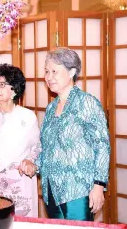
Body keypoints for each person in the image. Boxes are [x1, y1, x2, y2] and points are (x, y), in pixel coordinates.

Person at [21, 48, 110, 221]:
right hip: (52, 189)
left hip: (77, 189)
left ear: (72, 72)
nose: (48, 77)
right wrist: (33, 164)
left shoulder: (87, 103)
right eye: (46, 71)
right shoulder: (51, 107)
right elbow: (48, 148)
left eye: (54, 71)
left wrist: (99, 185)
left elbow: (102, 145)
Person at [0, 64, 40, 217]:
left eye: (2, 85)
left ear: (14, 90)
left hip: (21, 181)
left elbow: (37, 147)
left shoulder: (27, 116)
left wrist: (30, 162)